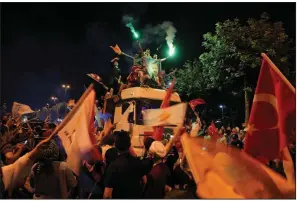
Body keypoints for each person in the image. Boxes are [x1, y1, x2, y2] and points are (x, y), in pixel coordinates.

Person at [103, 131, 146, 199]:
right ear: (129, 145)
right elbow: (144, 181)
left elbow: (107, 195)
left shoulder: (113, 166)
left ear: (115, 145)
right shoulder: (137, 162)